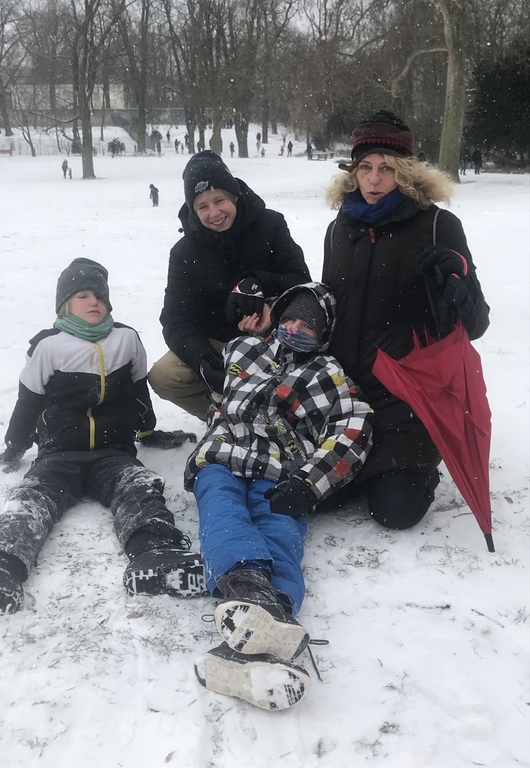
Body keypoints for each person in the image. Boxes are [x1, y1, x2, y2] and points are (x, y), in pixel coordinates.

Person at [0, 258, 206, 616]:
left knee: (139, 490)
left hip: (113, 454)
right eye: (83, 296)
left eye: (100, 296)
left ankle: (158, 555)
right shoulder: (48, 348)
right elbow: (28, 402)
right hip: (59, 455)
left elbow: (138, 393)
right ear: (64, 305)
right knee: (31, 502)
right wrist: (14, 447)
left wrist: (148, 431)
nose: (94, 302)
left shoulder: (126, 339)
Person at [186, 283, 373, 710]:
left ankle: (262, 628)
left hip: (280, 470)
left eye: (307, 325)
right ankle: (252, 588)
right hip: (224, 457)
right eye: (288, 319)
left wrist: (309, 483)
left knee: (279, 527)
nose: (294, 329)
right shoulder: (244, 350)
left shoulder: (327, 372)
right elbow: (221, 401)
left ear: (324, 334)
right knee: (223, 509)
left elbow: (353, 428)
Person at [321, 109, 490, 530]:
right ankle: (360, 463)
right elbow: (329, 306)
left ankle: (412, 467)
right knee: (318, 499)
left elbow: (478, 322)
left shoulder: (436, 226)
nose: (374, 179)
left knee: (395, 512)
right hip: (345, 397)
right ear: (353, 172)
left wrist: (458, 286)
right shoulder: (339, 228)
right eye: (365, 167)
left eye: (386, 168)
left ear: (405, 172)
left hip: (408, 400)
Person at [148, 150, 311, 421]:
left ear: (234, 194)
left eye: (219, 200)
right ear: (193, 210)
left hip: (272, 333)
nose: (214, 213)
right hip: (217, 342)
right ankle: (225, 418)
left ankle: (286, 416)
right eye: (202, 206)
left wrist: (261, 284)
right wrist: (202, 359)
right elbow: (176, 318)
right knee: (164, 376)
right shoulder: (184, 252)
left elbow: (302, 281)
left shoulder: (271, 225)